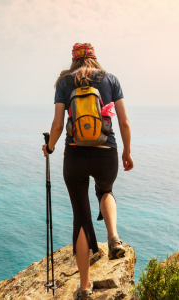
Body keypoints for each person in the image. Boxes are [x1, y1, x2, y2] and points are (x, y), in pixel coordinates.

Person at [42, 43, 134, 300]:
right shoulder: (111, 79)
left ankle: (84, 287)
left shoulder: (64, 82)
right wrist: (127, 151)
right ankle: (114, 238)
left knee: (81, 216)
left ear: (74, 61)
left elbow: (58, 124)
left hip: (75, 155)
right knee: (105, 191)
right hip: (107, 152)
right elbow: (124, 121)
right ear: (94, 58)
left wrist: (49, 148)